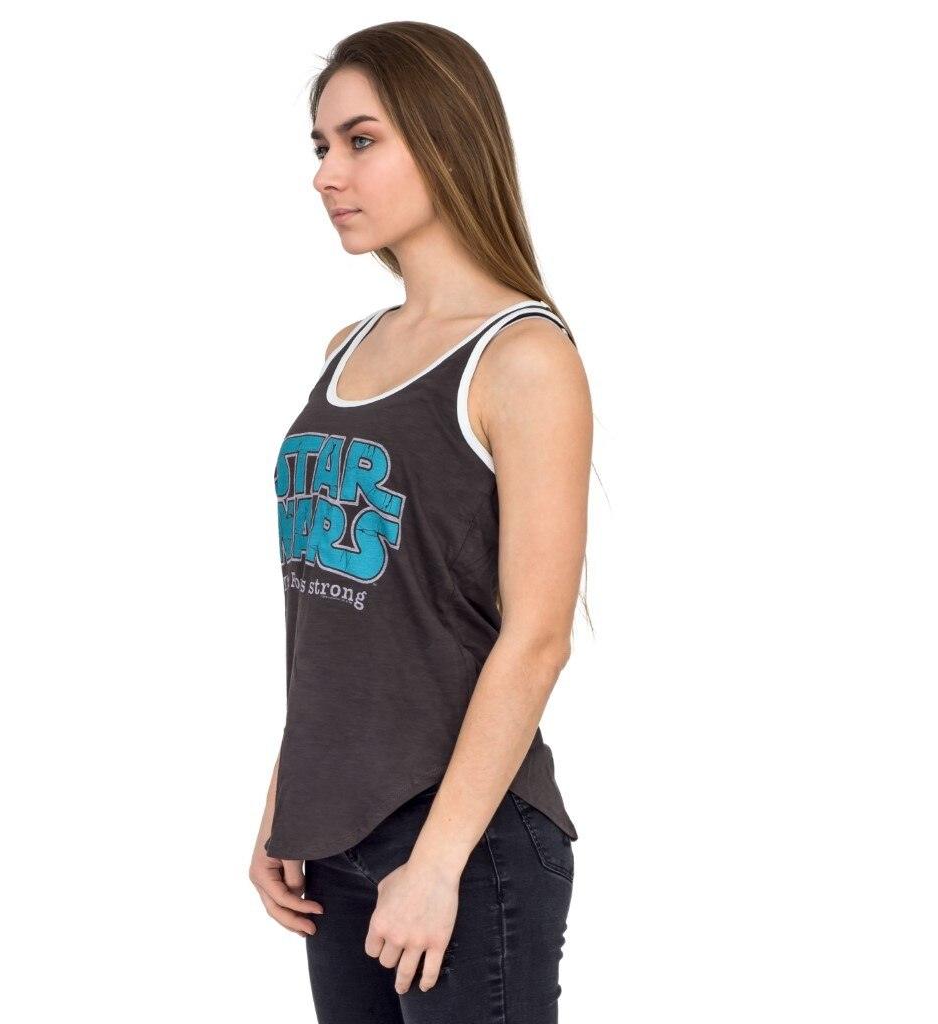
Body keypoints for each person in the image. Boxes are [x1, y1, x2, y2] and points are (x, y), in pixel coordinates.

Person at [249, 21, 593, 1023]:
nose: (327, 174)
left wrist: (438, 862)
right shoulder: (345, 347)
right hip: (334, 838)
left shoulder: (524, 358)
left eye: (361, 140)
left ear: (445, 141)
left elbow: (537, 636)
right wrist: (284, 801)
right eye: (322, 146)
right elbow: (341, 621)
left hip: (464, 843)